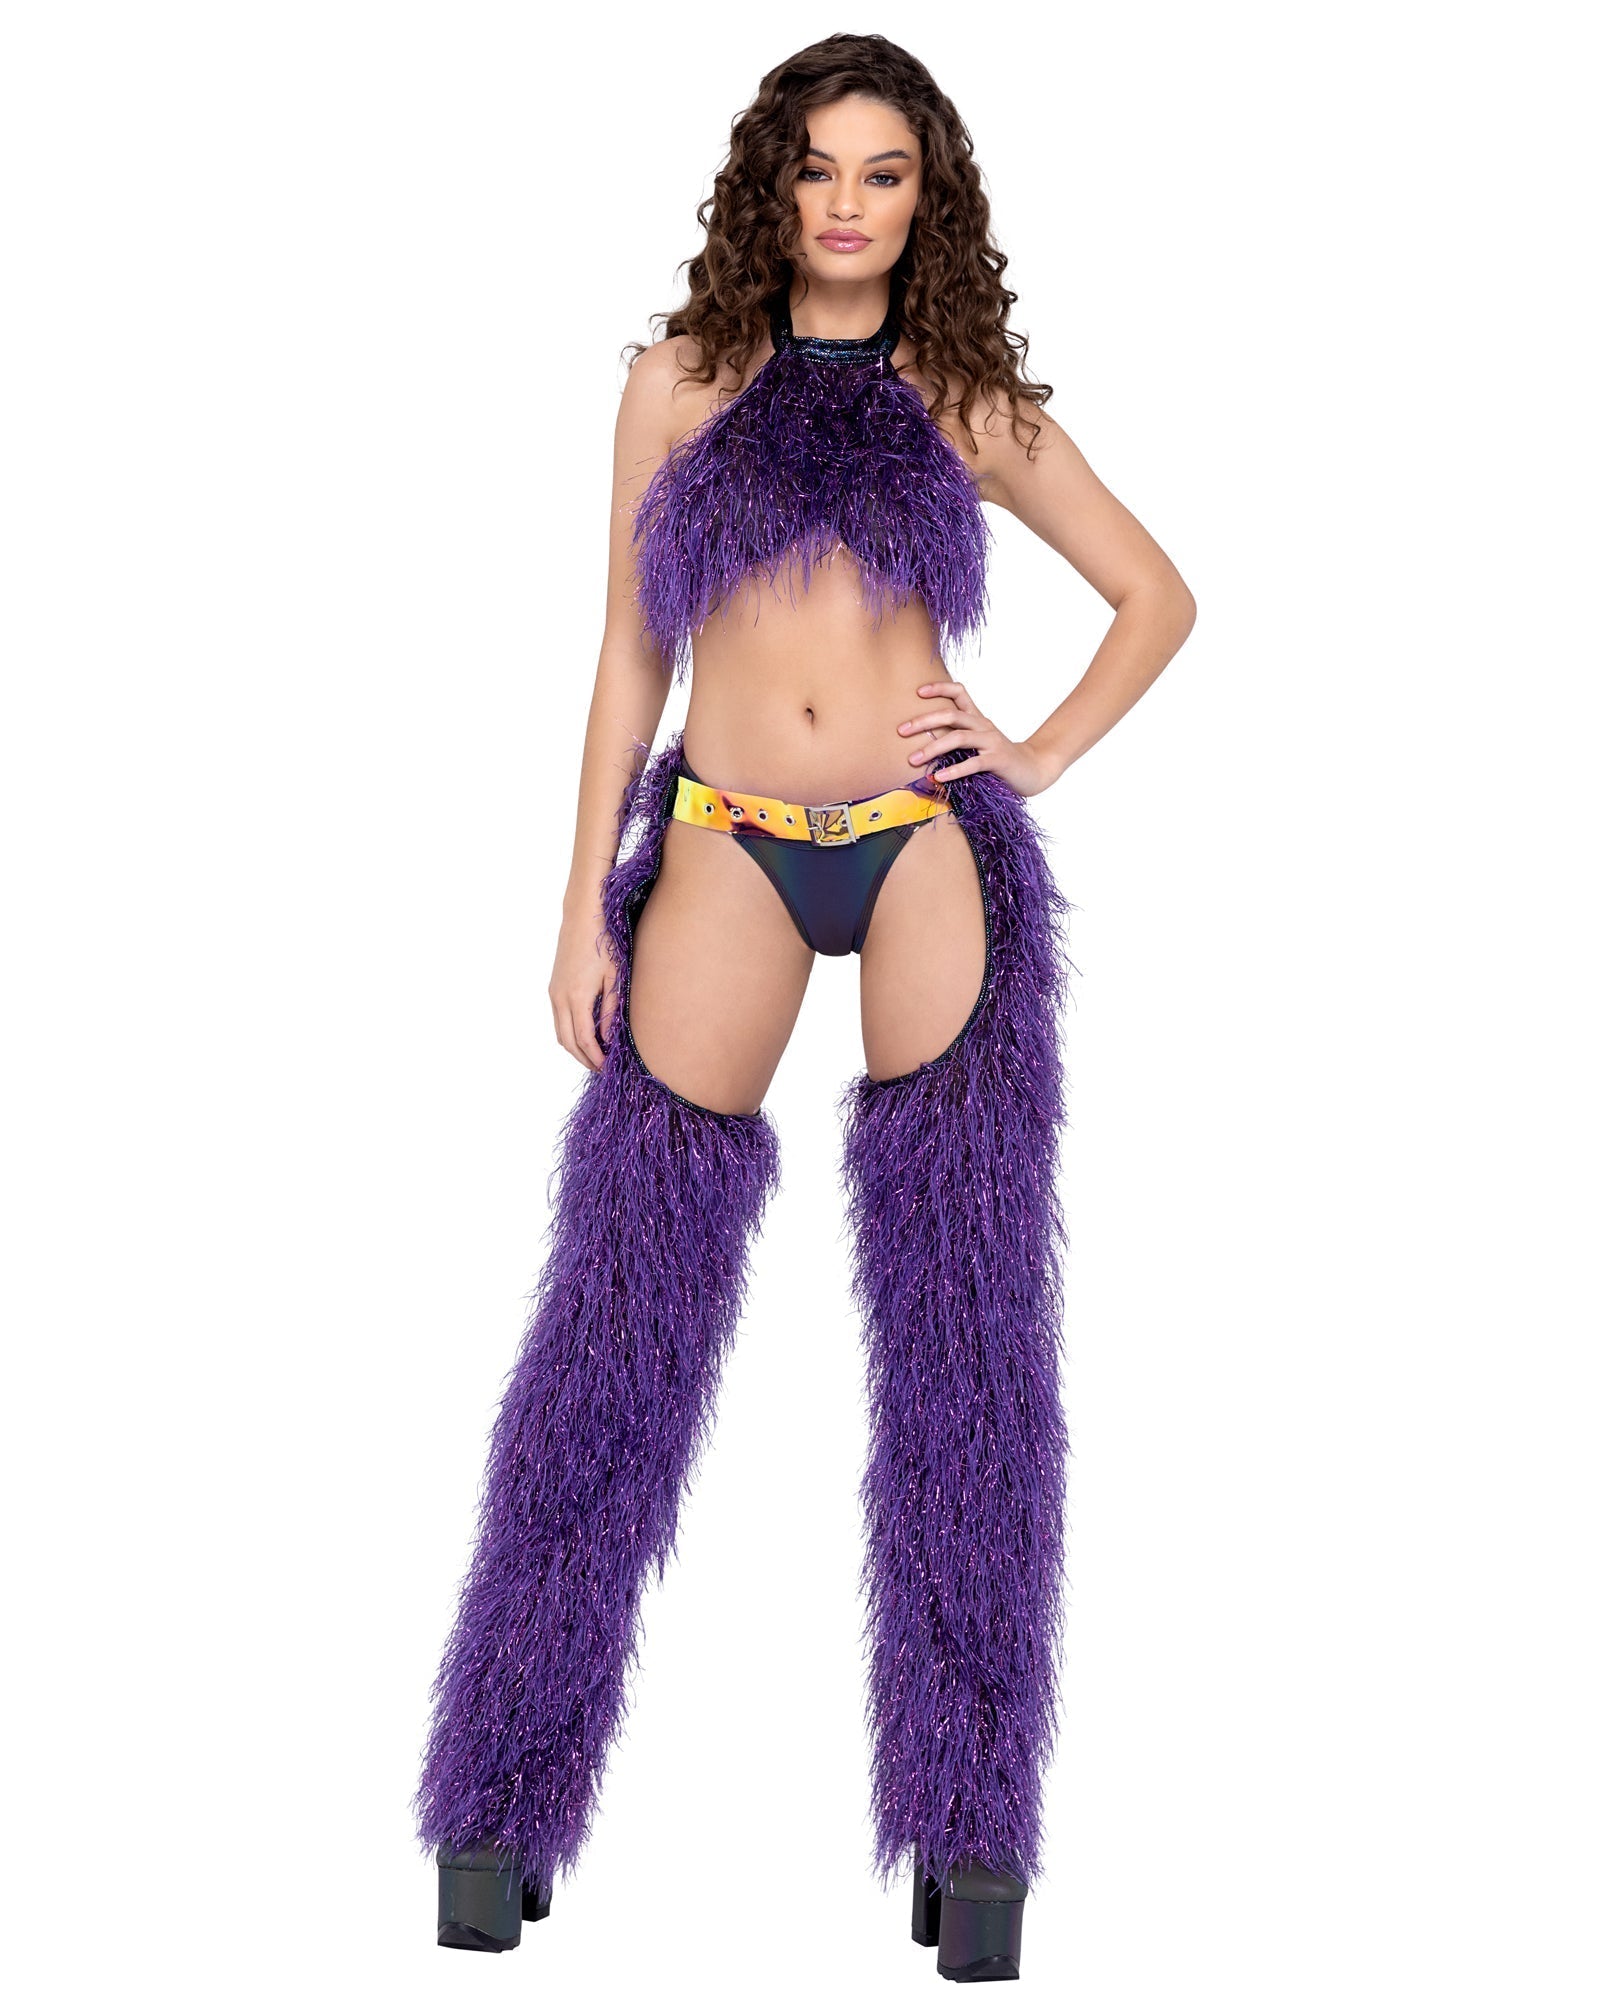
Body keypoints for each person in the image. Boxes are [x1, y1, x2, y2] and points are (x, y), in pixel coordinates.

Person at [413, 33, 1196, 1981]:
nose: (848, 205)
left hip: (919, 848)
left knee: (967, 1357)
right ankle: (499, 1799)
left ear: (927, 202)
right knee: (615, 1336)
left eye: (885, 174)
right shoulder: (678, 381)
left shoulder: (965, 396)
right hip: (726, 843)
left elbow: (1157, 596)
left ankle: (972, 1835)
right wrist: (578, 906)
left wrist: (1029, 750)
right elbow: (628, 652)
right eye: (819, 169)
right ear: (771, 184)